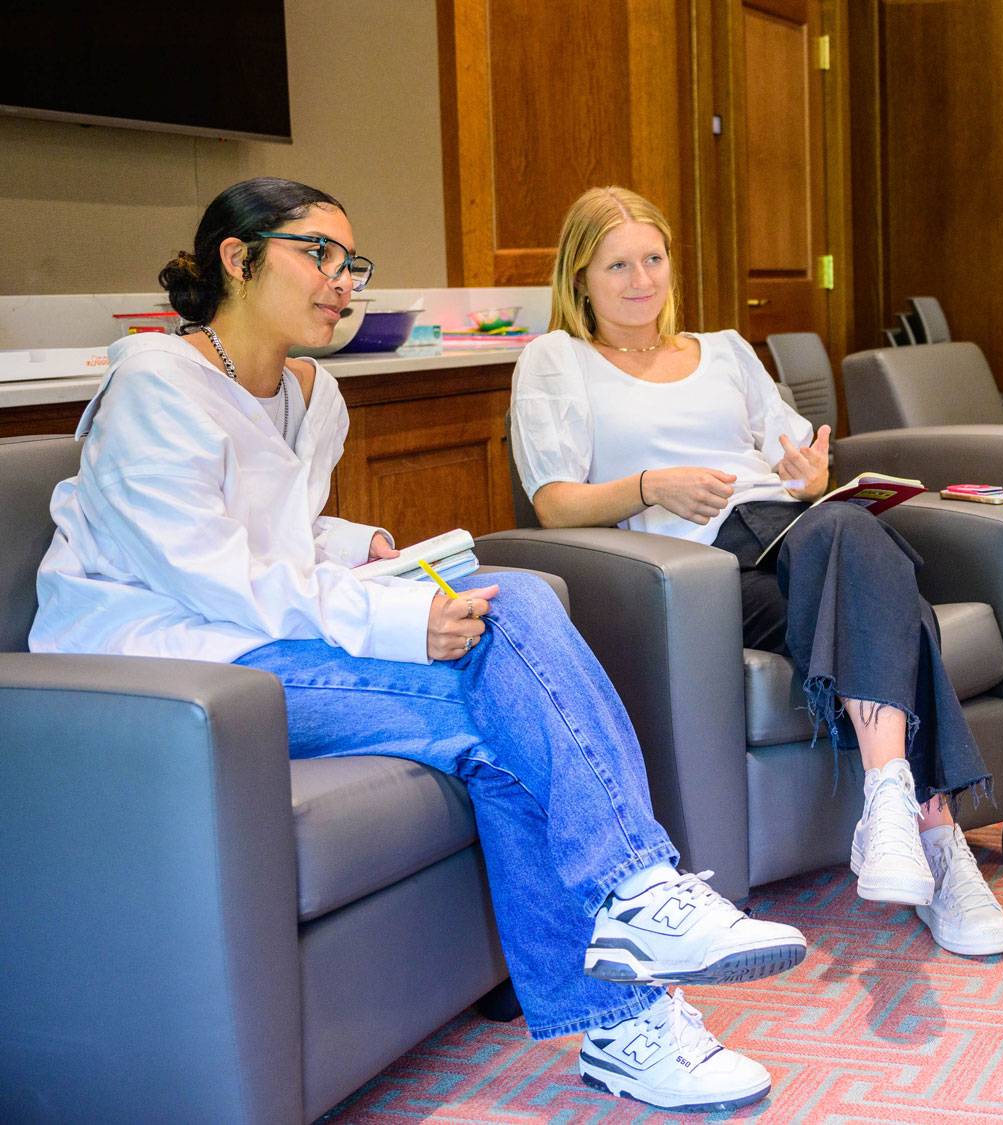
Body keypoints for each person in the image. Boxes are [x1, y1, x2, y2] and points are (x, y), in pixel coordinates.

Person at [30, 178, 809, 1114]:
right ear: (236, 259)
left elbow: (273, 534)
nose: (341, 281)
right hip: (167, 674)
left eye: (350, 262)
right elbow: (209, 571)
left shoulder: (311, 392)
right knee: (510, 699)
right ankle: (636, 916)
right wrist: (391, 616)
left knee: (510, 600)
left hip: (257, 639)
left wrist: (359, 547)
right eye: (317, 254)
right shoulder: (157, 382)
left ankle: (623, 1006)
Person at [509, 186, 1003, 959]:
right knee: (884, 587)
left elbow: (795, 459)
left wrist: (812, 473)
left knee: (844, 528)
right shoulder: (557, 360)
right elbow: (552, 502)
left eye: (653, 258)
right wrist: (651, 484)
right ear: (580, 277)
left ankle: (901, 817)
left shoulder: (725, 351)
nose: (642, 279)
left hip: (791, 530)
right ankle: (933, 834)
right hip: (703, 572)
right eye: (618, 265)